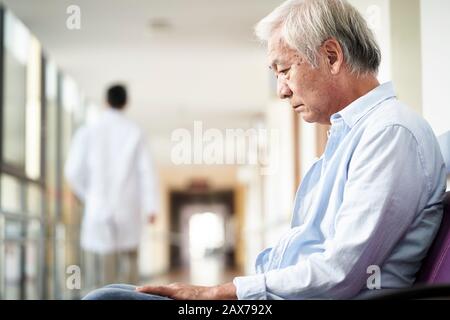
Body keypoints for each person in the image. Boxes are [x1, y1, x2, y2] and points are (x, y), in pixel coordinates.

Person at [83, 0, 446, 300]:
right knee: (115, 292)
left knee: (107, 300)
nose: (281, 91)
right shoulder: (353, 136)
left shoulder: (389, 133)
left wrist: (222, 293)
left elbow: (340, 273)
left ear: (332, 56)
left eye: (285, 70)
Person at [65, 84, 159, 287]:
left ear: (105, 101)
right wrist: (152, 207)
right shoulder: (135, 132)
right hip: (128, 206)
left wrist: (88, 196)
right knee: (130, 259)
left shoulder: (88, 131)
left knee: (102, 264)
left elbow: (72, 172)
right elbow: (146, 173)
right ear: (126, 103)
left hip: (98, 206)